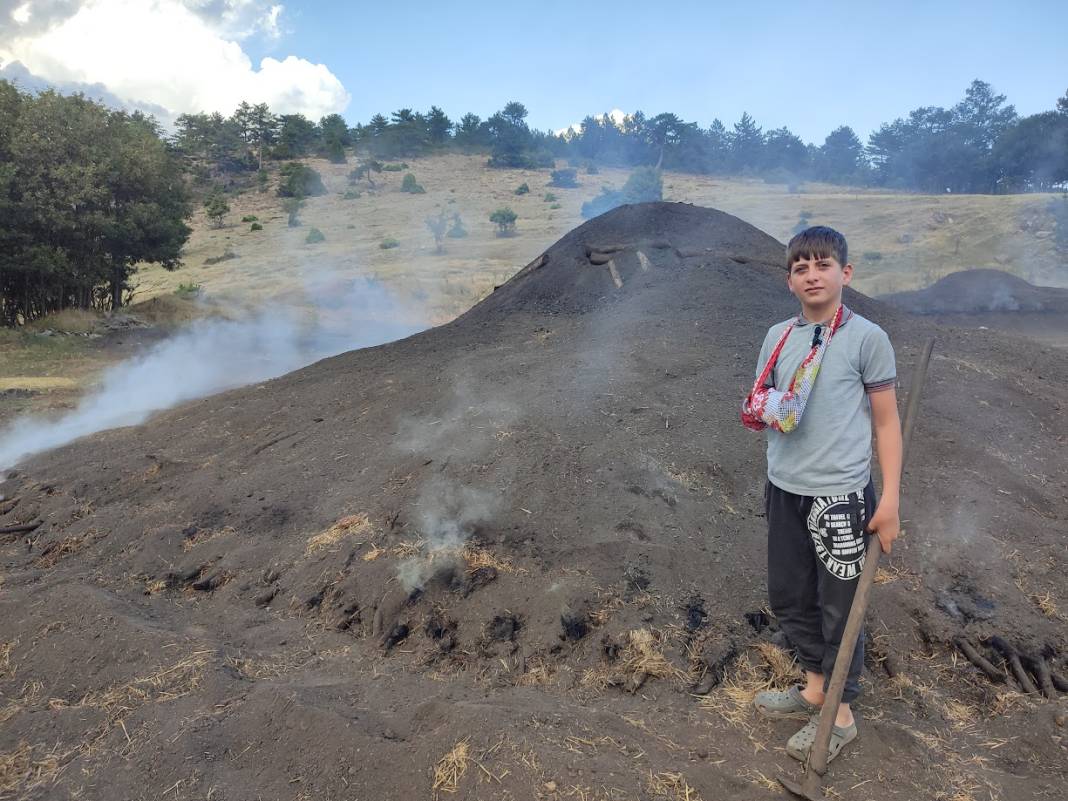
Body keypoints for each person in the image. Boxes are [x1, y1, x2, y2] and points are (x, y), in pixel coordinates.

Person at [740, 226, 902, 763]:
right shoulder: (778, 336)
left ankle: (841, 714)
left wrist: (891, 501)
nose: (813, 275)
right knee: (790, 595)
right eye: (801, 268)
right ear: (789, 281)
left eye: (823, 265)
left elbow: (886, 425)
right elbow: (769, 401)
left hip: (840, 496)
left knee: (840, 608)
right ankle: (814, 686)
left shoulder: (866, 338)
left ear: (845, 273)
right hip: (786, 488)